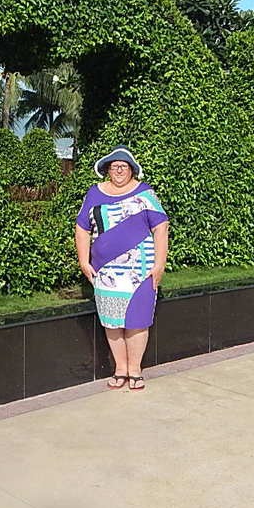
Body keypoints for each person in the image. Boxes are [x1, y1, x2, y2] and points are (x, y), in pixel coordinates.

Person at [75, 146, 169, 391]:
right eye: (114, 166)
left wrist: (159, 264)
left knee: (137, 320)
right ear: (107, 170)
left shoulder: (145, 193)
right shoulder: (94, 193)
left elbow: (161, 227)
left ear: (132, 170)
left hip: (140, 271)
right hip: (106, 272)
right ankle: (120, 368)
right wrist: (84, 261)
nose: (118, 170)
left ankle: (135, 370)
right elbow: (82, 227)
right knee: (112, 321)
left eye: (123, 166)